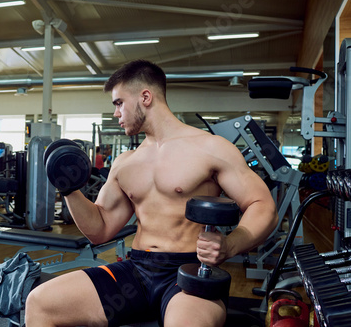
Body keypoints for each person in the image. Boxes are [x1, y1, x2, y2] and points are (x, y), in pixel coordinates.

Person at [25, 60, 278, 327]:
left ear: (145, 97)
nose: (115, 113)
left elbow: (263, 205)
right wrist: (68, 188)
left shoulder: (211, 148)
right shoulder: (126, 162)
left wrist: (229, 245)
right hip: (136, 271)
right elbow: (99, 229)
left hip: (188, 272)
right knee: (40, 303)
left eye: (119, 103)